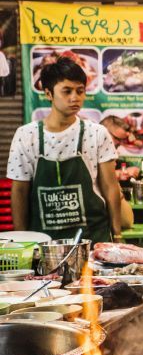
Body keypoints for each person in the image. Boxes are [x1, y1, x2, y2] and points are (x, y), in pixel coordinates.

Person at [7, 57, 122, 244]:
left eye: (80, 91)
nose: (75, 98)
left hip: (93, 239)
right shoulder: (26, 135)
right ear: (48, 94)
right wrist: (23, 240)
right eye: (67, 91)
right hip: (43, 243)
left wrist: (116, 235)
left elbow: (110, 187)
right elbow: (19, 190)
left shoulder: (97, 133)